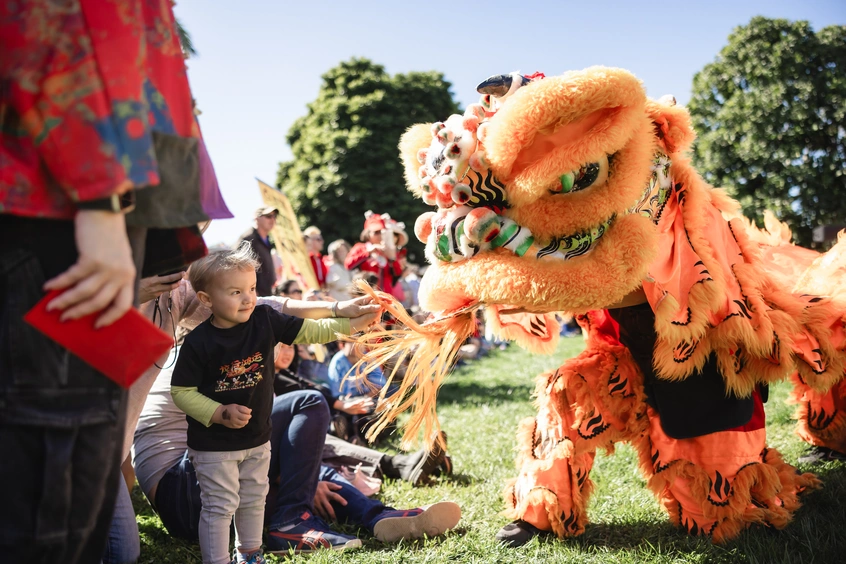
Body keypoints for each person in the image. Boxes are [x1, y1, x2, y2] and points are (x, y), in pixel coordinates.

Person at [0, 4, 211, 563]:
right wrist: (100, 201)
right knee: (49, 489)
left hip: (76, 188)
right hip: (54, 198)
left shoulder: (181, 290)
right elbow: (59, 21)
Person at [169, 243, 380, 564]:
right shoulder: (198, 342)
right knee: (220, 505)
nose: (248, 298)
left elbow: (311, 330)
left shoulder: (264, 318)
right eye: (236, 292)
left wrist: (352, 326)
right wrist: (219, 412)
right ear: (206, 300)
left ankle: (250, 554)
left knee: (254, 499)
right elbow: (182, 392)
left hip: (258, 438)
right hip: (213, 447)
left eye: (252, 288)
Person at [133, 350, 461, 555]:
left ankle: (377, 517)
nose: (288, 350)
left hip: (208, 502)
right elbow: (237, 435)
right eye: (282, 339)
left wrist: (299, 480)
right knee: (307, 404)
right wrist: (297, 478)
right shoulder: (209, 354)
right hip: (184, 491)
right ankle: (293, 521)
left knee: (315, 477)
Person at [344, 211, 406, 295]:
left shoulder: (389, 250)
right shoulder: (360, 248)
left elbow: (398, 274)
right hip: (364, 296)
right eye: (376, 232)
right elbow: (348, 265)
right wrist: (369, 252)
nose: (380, 235)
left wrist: (392, 258)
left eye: (381, 232)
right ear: (368, 234)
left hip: (386, 297)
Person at [238, 206, 279, 296]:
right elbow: (239, 267)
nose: (272, 219)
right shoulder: (248, 239)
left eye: (274, 216)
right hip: (254, 296)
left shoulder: (268, 240)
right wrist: (250, 290)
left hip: (268, 293)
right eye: (268, 216)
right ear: (257, 218)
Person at [303, 226, 329, 290]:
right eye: (318, 239)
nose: (322, 241)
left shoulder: (320, 259)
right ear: (310, 241)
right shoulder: (306, 260)